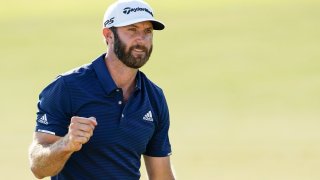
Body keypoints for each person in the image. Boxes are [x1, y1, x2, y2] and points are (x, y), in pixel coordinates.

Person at [28, 0, 175, 179]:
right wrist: (66, 143)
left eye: (147, 31)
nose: (141, 39)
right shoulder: (66, 88)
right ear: (108, 35)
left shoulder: (154, 97)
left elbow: (161, 175)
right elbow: (38, 167)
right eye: (132, 29)